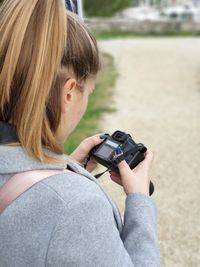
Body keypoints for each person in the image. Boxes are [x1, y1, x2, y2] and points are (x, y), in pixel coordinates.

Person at [0, 0, 160, 266]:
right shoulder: (75, 206)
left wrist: (63, 168)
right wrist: (139, 200)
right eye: (89, 92)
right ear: (69, 92)